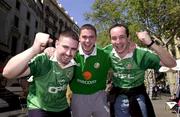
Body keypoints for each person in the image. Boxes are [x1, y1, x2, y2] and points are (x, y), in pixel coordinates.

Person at [103, 23, 176, 117]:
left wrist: (150, 43)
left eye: (122, 37)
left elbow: (172, 63)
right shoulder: (106, 53)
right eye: (114, 38)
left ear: (128, 38)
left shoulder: (141, 54)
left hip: (138, 98)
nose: (118, 42)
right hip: (117, 99)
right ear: (110, 40)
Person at [2, 30, 79, 117]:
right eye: (65, 47)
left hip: (62, 108)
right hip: (39, 107)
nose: (68, 53)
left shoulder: (74, 64)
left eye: (73, 49)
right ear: (57, 44)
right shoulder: (44, 60)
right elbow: (7, 73)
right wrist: (33, 50)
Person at [45, 24, 112, 117]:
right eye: (84, 37)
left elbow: (120, 51)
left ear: (96, 38)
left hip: (99, 96)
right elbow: (58, 54)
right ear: (79, 38)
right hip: (78, 97)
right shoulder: (71, 53)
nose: (88, 41)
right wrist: (50, 49)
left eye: (91, 37)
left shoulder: (105, 54)